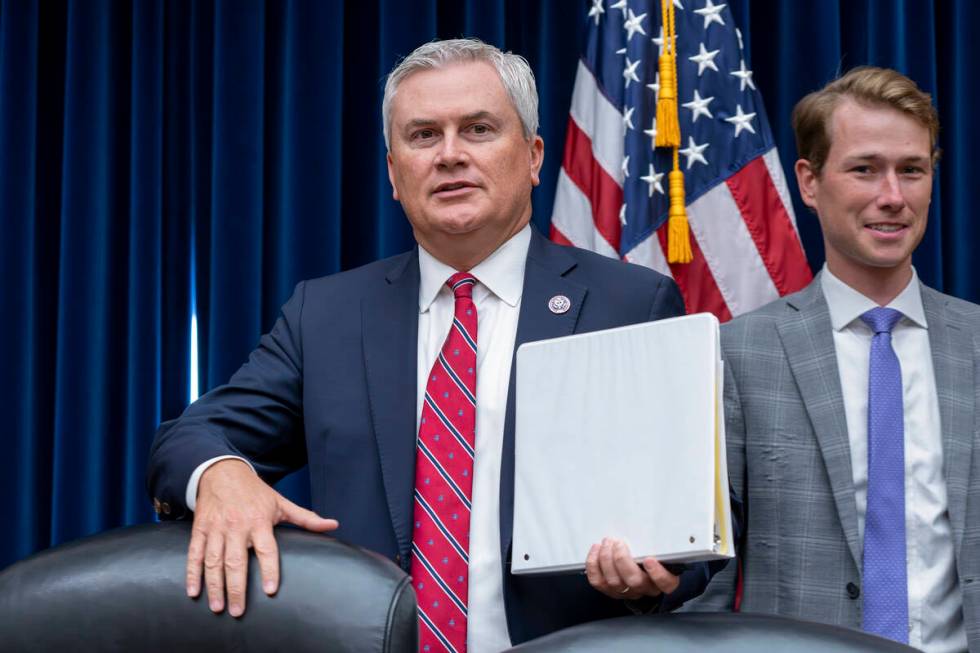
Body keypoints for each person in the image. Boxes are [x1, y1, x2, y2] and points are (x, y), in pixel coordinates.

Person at [148, 38, 709, 652]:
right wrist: (222, 472)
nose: (450, 155)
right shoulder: (328, 315)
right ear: (393, 173)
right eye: (422, 136)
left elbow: (686, 527)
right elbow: (187, 439)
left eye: (478, 129)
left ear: (533, 157)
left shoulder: (629, 304)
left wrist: (653, 580)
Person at [684, 66, 980, 652]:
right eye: (865, 169)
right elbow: (706, 576)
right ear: (810, 182)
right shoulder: (737, 353)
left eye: (912, 171)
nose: (892, 197)